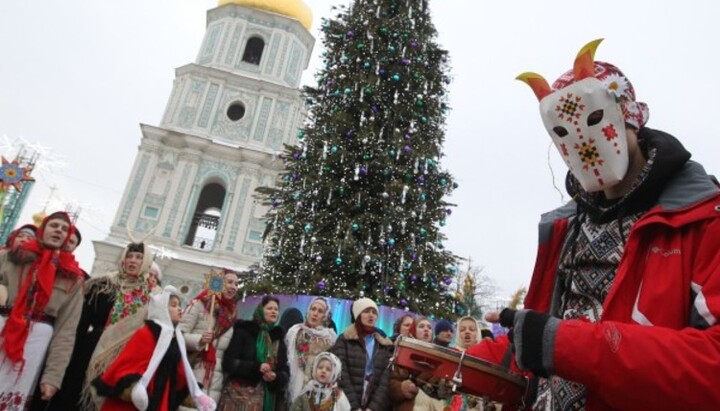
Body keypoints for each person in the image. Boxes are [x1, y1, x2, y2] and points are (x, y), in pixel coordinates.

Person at [472, 38, 720, 410]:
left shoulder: (701, 219)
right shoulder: (565, 228)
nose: (583, 144)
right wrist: (454, 365)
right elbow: (539, 340)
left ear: (630, 115)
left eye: (593, 119)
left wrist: (563, 344)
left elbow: (711, 368)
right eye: (562, 134)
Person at [45, 239, 155, 410]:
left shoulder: (152, 296)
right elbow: (81, 322)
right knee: (74, 395)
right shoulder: (103, 285)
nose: (133, 260)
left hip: (125, 355)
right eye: (129, 256)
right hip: (91, 349)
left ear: (146, 261)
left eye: (139, 257)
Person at [0, 212, 84, 409]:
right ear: (42, 230)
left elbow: (66, 331)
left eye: (64, 229)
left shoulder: (73, 278)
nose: (59, 230)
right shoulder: (10, 257)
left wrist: (53, 376)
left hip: (35, 344)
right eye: (54, 225)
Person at [92, 286, 215, 411]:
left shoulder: (176, 338)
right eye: (173, 305)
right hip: (136, 400)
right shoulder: (146, 333)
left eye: (179, 305)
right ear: (161, 309)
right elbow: (127, 363)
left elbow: (180, 370)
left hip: (161, 397)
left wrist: (192, 392)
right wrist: (135, 386)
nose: (179, 309)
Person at [178, 269, 239, 405]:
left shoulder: (231, 316)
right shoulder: (200, 305)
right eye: (229, 282)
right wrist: (199, 340)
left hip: (215, 381)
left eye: (236, 284)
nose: (233, 287)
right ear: (218, 284)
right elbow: (177, 335)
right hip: (192, 373)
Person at [222, 295, 289, 411]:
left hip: (264, 399)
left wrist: (275, 377)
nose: (273, 312)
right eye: (269, 308)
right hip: (238, 396)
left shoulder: (278, 338)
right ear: (260, 310)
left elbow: (284, 371)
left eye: (276, 309)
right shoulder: (244, 331)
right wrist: (257, 367)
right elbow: (229, 363)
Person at [331, 297, 392, 411]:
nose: (371, 315)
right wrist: (354, 407)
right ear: (357, 314)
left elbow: (386, 379)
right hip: (346, 404)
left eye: (374, 312)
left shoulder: (384, 344)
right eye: (366, 311)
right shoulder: (344, 339)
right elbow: (341, 373)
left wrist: (373, 408)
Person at [286, 297, 337, 405]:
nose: (315, 313)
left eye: (320, 311)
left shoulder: (329, 338)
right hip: (293, 385)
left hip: (317, 390)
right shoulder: (295, 332)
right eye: (313, 309)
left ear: (325, 316)